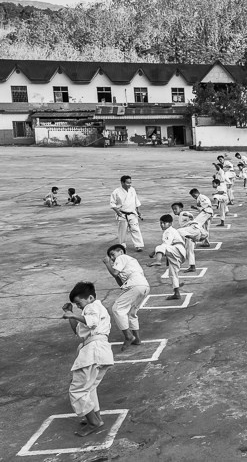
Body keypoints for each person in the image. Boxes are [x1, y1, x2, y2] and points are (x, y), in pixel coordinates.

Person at [61, 281, 114, 437]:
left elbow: (92, 322)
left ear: (90, 297)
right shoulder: (90, 310)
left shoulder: (92, 307)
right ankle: (95, 417)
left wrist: (73, 314)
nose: (78, 306)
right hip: (100, 351)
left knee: (77, 389)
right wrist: (72, 315)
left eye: (79, 303)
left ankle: (94, 422)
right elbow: (78, 332)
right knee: (89, 387)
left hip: (94, 351)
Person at [103, 244, 150, 351]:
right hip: (144, 286)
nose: (111, 258)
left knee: (117, 308)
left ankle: (128, 336)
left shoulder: (122, 257)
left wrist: (107, 264)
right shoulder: (129, 262)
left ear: (120, 252)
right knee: (131, 313)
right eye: (110, 257)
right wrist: (112, 266)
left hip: (135, 285)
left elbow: (114, 273)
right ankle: (136, 338)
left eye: (112, 254)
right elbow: (120, 283)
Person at [148, 214, 187, 301]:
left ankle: (158, 261)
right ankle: (176, 293)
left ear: (170, 224)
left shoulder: (169, 231)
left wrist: (154, 252)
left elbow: (165, 244)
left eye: (164, 223)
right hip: (178, 253)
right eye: (161, 223)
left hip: (177, 249)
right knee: (173, 273)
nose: (162, 225)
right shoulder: (169, 231)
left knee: (160, 247)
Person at [110, 175, 144, 252]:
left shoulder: (132, 190)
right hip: (122, 214)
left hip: (132, 213)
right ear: (122, 183)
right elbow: (112, 204)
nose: (129, 184)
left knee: (135, 229)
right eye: (128, 183)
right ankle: (122, 245)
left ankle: (139, 245)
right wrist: (117, 212)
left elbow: (136, 201)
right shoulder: (116, 192)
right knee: (122, 231)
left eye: (130, 182)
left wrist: (138, 210)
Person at [171, 202, 198, 272]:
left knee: (189, 249)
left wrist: (190, 218)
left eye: (175, 209)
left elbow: (189, 215)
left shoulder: (183, 213)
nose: (174, 210)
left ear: (181, 209)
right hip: (189, 231)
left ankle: (192, 266)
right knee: (187, 249)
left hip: (190, 230)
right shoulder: (181, 215)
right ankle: (191, 265)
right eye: (173, 209)